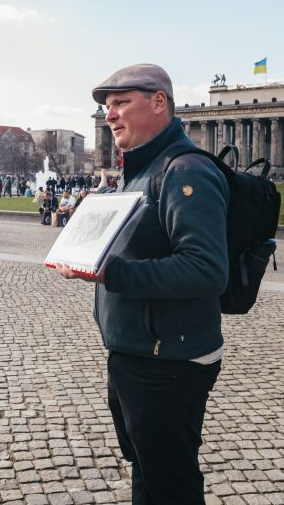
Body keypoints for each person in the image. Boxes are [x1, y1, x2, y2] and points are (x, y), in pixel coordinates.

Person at [55, 63, 227, 504]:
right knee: (148, 473)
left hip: (169, 360)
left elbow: (206, 269)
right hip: (138, 352)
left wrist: (109, 271)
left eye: (120, 103)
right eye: (106, 106)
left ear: (158, 103)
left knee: (170, 483)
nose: (109, 114)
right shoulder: (140, 171)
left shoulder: (186, 170)